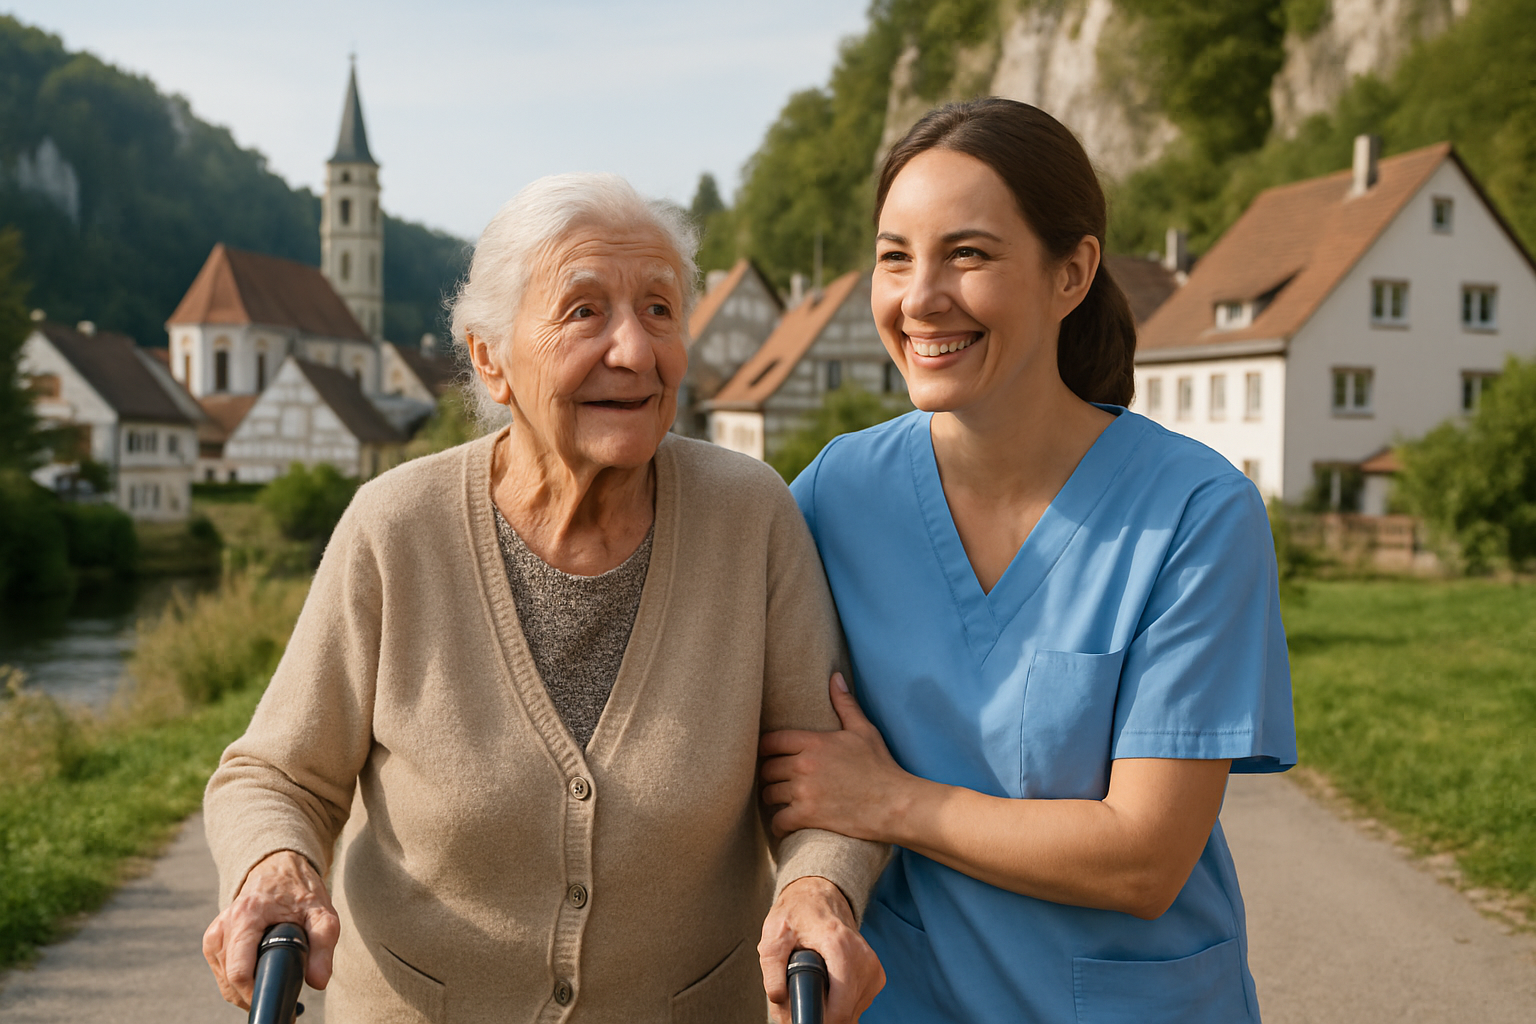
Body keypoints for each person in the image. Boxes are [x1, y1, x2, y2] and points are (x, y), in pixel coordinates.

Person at [200, 173, 887, 1024]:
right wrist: (273, 864)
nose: (635, 350)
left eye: (661, 310)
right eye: (584, 311)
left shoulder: (751, 519)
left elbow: (831, 793)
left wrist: (820, 886)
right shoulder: (396, 528)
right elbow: (272, 776)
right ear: (490, 358)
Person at [758, 99, 1297, 1023]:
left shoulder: (1196, 515)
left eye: (967, 254)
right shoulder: (836, 491)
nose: (920, 297)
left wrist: (892, 802)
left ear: (1072, 273)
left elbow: (1144, 858)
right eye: (895, 256)